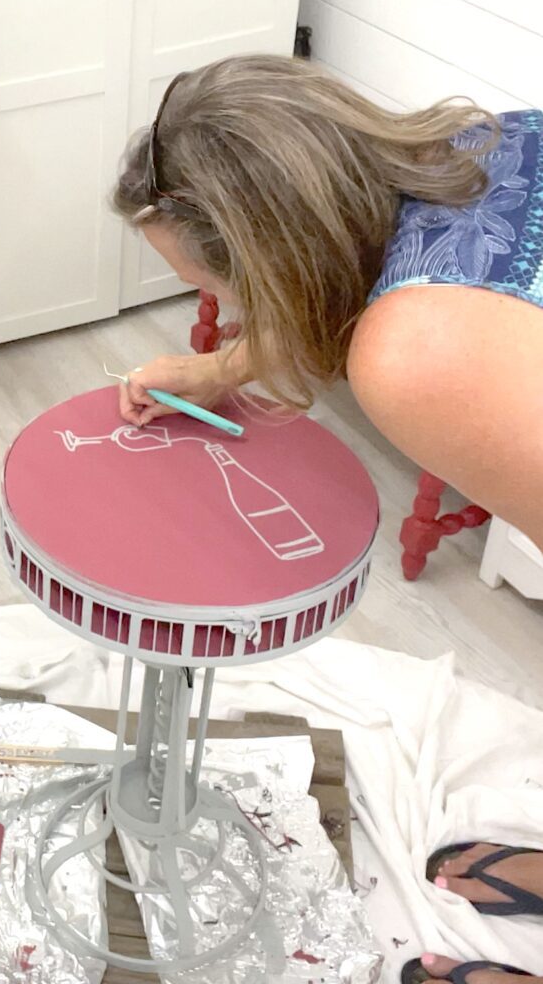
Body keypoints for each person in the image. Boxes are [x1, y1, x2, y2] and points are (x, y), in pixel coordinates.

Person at [113, 55, 543, 983]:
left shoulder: (417, 353)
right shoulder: (474, 142)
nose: (224, 312)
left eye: (225, 292)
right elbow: (336, 274)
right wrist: (217, 369)